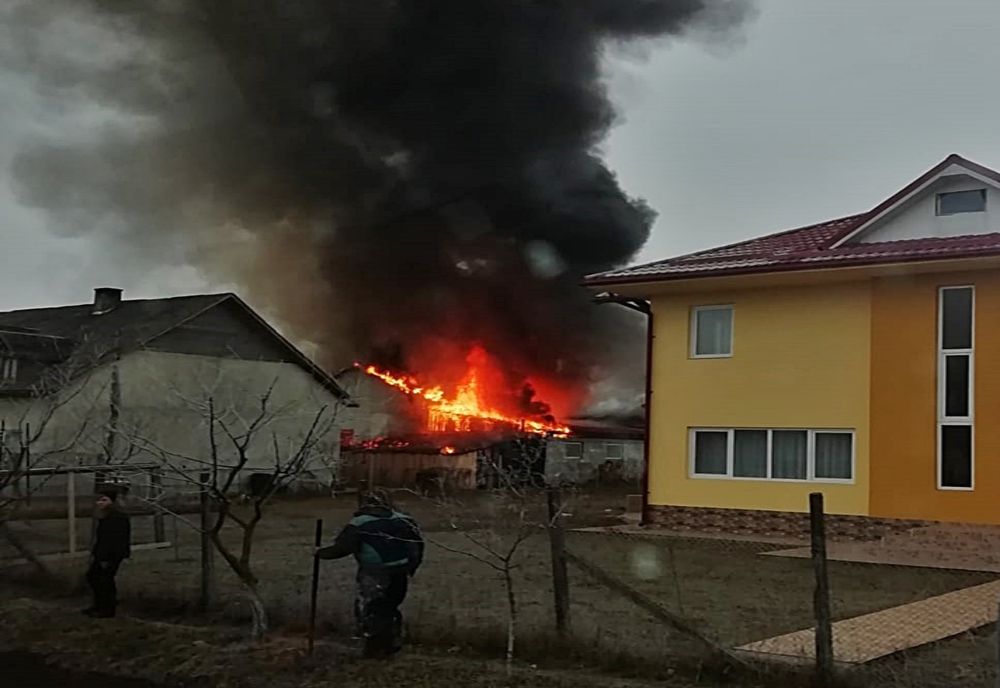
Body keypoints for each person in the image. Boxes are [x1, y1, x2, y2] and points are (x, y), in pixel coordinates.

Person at [317, 490, 423, 657]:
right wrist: (412, 567)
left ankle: (375, 648)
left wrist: (320, 553)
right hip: (401, 570)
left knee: (371, 608)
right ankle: (392, 640)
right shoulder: (404, 519)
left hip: (374, 571)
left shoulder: (359, 523)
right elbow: (418, 546)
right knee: (389, 606)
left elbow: (343, 548)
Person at [84, 487, 131, 618]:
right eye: (98, 501)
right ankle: (100, 605)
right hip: (105, 554)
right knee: (96, 578)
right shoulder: (108, 515)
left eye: (104, 500)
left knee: (104, 580)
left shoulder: (115, 517)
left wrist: (105, 557)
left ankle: (106, 609)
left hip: (110, 555)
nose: (100, 503)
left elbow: (113, 539)